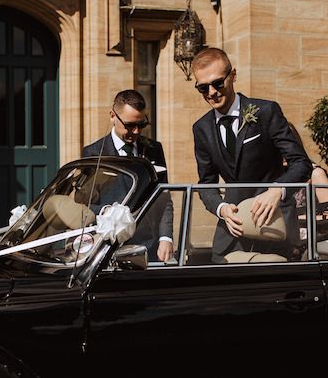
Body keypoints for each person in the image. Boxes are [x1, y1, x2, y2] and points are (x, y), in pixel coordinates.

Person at [191, 47, 311, 262]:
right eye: (203, 88)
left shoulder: (266, 111)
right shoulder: (201, 128)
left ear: (233, 75)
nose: (211, 92)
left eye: (218, 83)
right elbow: (206, 183)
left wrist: (277, 190)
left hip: (274, 225)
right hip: (233, 229)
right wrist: (221, 208)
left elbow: (301, 163)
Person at [82, 89, 174, 262]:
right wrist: (106, 212)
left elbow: (163, 197)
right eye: (130, 125)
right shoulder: (93, 153)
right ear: (112, 116)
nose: (137, 131)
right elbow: (85, 204)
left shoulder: (154, 149)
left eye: (142, 125)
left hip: (149, 247)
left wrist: (166, 238)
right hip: (107, 248)